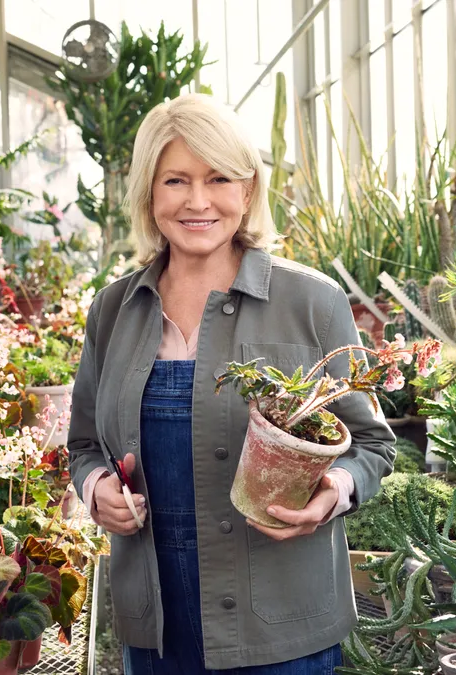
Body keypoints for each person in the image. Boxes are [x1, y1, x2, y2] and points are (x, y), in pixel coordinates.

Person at [67, 93, 396, 674]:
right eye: (176, 180)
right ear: (149, 192)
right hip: (157, 627)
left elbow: (372, 443)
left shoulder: (310, 302)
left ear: (247, 191)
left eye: (219, 178)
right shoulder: (114, 309)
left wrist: (331, 494)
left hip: (279, 627)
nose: (198, 201)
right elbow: (86, 441)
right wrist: (96, 489)